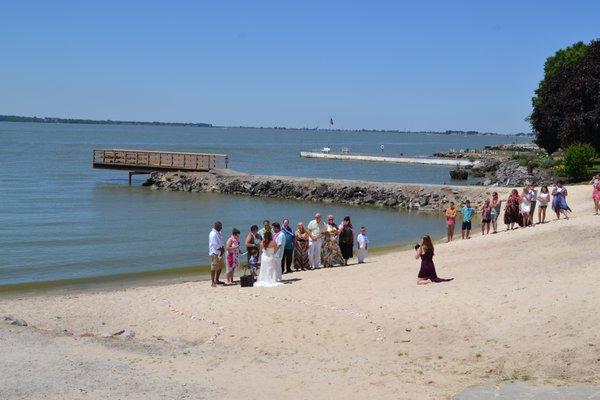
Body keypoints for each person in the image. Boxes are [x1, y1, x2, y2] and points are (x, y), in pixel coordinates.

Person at [208, 221, 225, 287]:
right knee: (214, 267)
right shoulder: (213, 234)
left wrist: (222, 248)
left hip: (220, 252)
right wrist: (221, 249)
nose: (221, 227)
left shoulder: (219, 232)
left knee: (220, 266)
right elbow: (214, 244)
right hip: (214, 253)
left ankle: (217, 280)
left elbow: (221, 241)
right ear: (217, 226)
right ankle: (212, 282)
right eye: (220, 226)